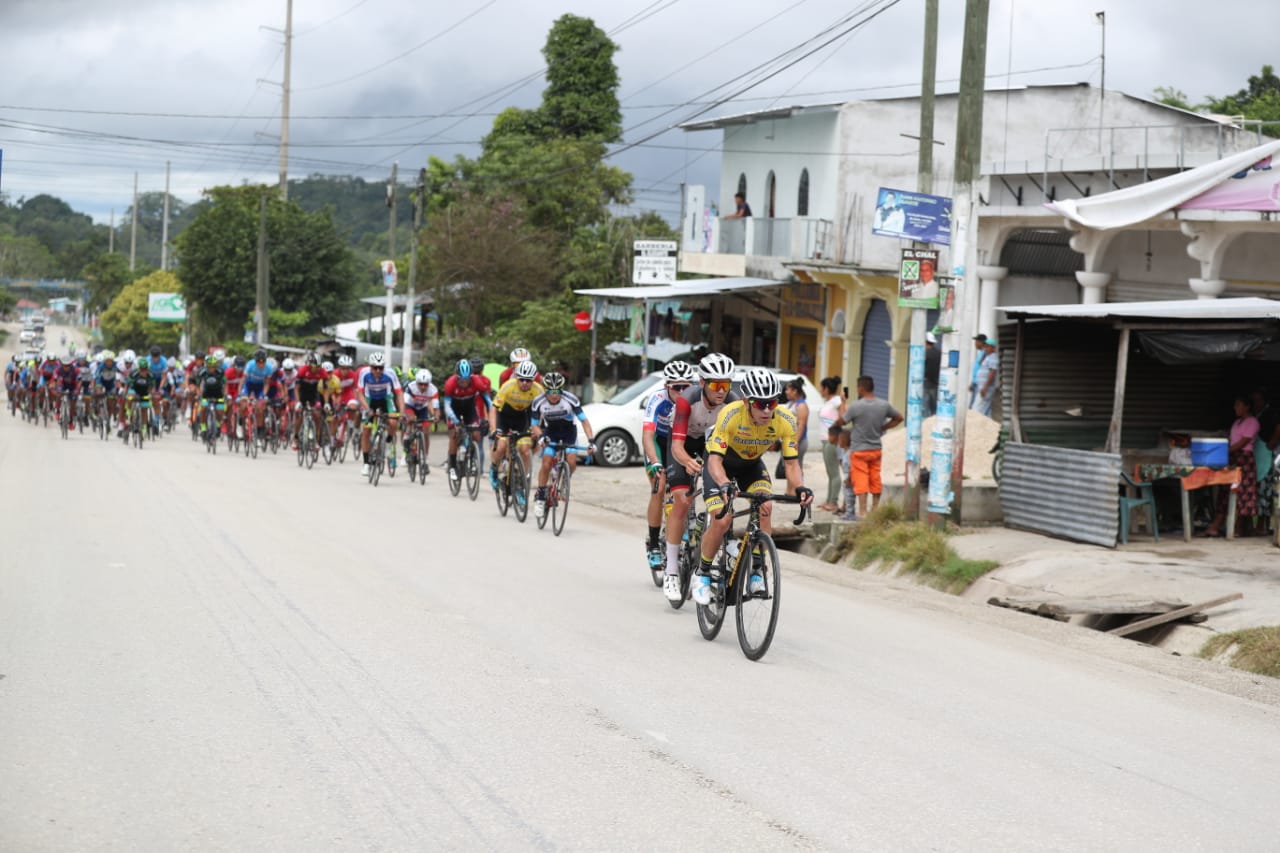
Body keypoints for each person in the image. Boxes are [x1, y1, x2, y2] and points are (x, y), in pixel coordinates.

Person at [691, 368, 814, 606]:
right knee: (722, 518)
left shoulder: (786, 420)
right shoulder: (730, 414)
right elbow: (714, 461)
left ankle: (757, 569)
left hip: (751, 466)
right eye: (760, 404)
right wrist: (725, 483)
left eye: (772, 403)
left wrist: (800, 487)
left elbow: (791, 464)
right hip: (720, 465)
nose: (767, 410)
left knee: (765, 505)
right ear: (747, 401)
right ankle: (703, 573)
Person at [663, 352, 736, 601]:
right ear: (703, 383)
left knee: (725, 494)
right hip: (684, 445)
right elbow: (676, 447)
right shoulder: (686, 400)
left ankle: (723, 546)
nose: (722, 391)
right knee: (682, 500)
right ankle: (671, 570)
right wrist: (687, 462)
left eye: (726, 385)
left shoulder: (733, 404)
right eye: (716, 385)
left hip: (712, 447)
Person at [643, 360, 697, 573]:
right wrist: (655, 461)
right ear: (667, 387)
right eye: (677, 387)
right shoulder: (657, 399)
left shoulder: (696, 400)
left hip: (681, 443)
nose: (682, 391)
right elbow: (648, 435)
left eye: (686, 387)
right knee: (659, 484)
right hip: (659, 443)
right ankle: (654, 543)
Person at [530, 372, 596, 521]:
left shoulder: (570, 399)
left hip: (568, 434)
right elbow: (534, 425)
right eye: (550, 392)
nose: (554, 395)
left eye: (558, 391)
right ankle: (540, 497)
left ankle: (565, 479)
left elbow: (584, 422)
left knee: (572, 462)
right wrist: (541, 436)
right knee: (546, 463)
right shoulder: (538, 401)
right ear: (545, 390)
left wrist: (591, 441)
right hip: (551, 434)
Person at [837, 375, 903, 518]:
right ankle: (874, 510)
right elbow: (899, 418)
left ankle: (862, 511)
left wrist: (843, 403)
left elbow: (842, 421)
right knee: (875, 479)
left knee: (860, 480)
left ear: (861, 388)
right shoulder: (884, 405)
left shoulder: (856, 406)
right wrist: (883, 427)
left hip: (859, 450)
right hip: (876, 449)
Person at [1203, 396, 1259, 538]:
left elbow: (1242, 442)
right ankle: (1218, 526)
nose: (1235, 408)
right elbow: (1232, 440)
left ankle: (1238, 528)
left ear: (1247, 407)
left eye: (1239, 405)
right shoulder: (1236, 423)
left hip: (1244, 460)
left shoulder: (1252, 422)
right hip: (1232, 458)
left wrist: (1222, 451)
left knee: (1242, 493)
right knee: (1226, 491)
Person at [488, 359, 544, 490]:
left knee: (525, 449)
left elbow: (543, 412)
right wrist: (493, 429)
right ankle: (494, 468)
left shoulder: (538, 390)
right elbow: (493, 409)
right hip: (504, 417)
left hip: (521, 418)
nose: (524, 383)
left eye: (528, 380)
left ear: (533, 380)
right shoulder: (508, 386)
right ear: (517, 377)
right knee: (501, 446)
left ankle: (520, 481)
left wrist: (537, 429)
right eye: (522, 379)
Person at [442, 358, 493, 483]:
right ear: (457, 377)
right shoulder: (450, 383)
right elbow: (447, 406)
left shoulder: (477, 382)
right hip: (454, 409)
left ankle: (471, 457)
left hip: (469, 408)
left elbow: (488, 402)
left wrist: (488, 420)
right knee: (454, 435)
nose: (464, 382)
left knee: (476, 434)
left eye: (467, 379)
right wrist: (455, 421)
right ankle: (453, 466)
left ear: (471, 376)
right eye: (462, 380)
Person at [356, 352, 405, 477]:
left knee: (393, 422)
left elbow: (399, 393)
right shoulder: (364, 373)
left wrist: (402, 412)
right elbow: (359, 393)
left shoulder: (390, 373)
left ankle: (388, 443)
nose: (378, 370)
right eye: (375, 367)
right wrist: (367, 409)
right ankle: (366, 464)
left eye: (380, 368)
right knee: (366, 430)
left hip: (385, 399)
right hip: (369, 399)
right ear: (370, 367)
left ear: (384, 367)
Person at [774, 377, 809, 481]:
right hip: (789, 441)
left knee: (796, 468)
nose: (786, 392)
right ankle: (790, 492)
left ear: (795, 391)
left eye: (788, 389)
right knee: (789, 468)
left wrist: (795, 442)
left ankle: (797, 492)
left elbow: (801, 425)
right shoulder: (791, 404)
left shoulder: (801, 405)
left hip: (798, 441)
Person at [817, 377, 843, 512]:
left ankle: (833, 502)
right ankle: (829, 500)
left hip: (832, 440)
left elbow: (844, 415)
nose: (820, 390)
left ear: (826, 389)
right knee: (830, 472)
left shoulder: (837, 401)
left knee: (834, 473)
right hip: (825, 440)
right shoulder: (829, 402)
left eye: (821, 387)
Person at [972, 337, 1000, 418]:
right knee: (986, 411)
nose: (985, 348)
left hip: (986, 389)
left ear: (993, 348)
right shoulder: (988, 357)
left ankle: (977, 428)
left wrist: (985, 387)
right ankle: (988, 429)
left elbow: (992, 372)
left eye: (988, 347)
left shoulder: (993, 357)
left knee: (977, 409)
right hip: (983, 388)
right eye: (985, 346)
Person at [923, 332, 941, 418]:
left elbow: (926, 369)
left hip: (926, 383)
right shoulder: (939, 353)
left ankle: (925, 425)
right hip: (936, 383)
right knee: (934, 407)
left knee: (924, 407)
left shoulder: (925, 354)